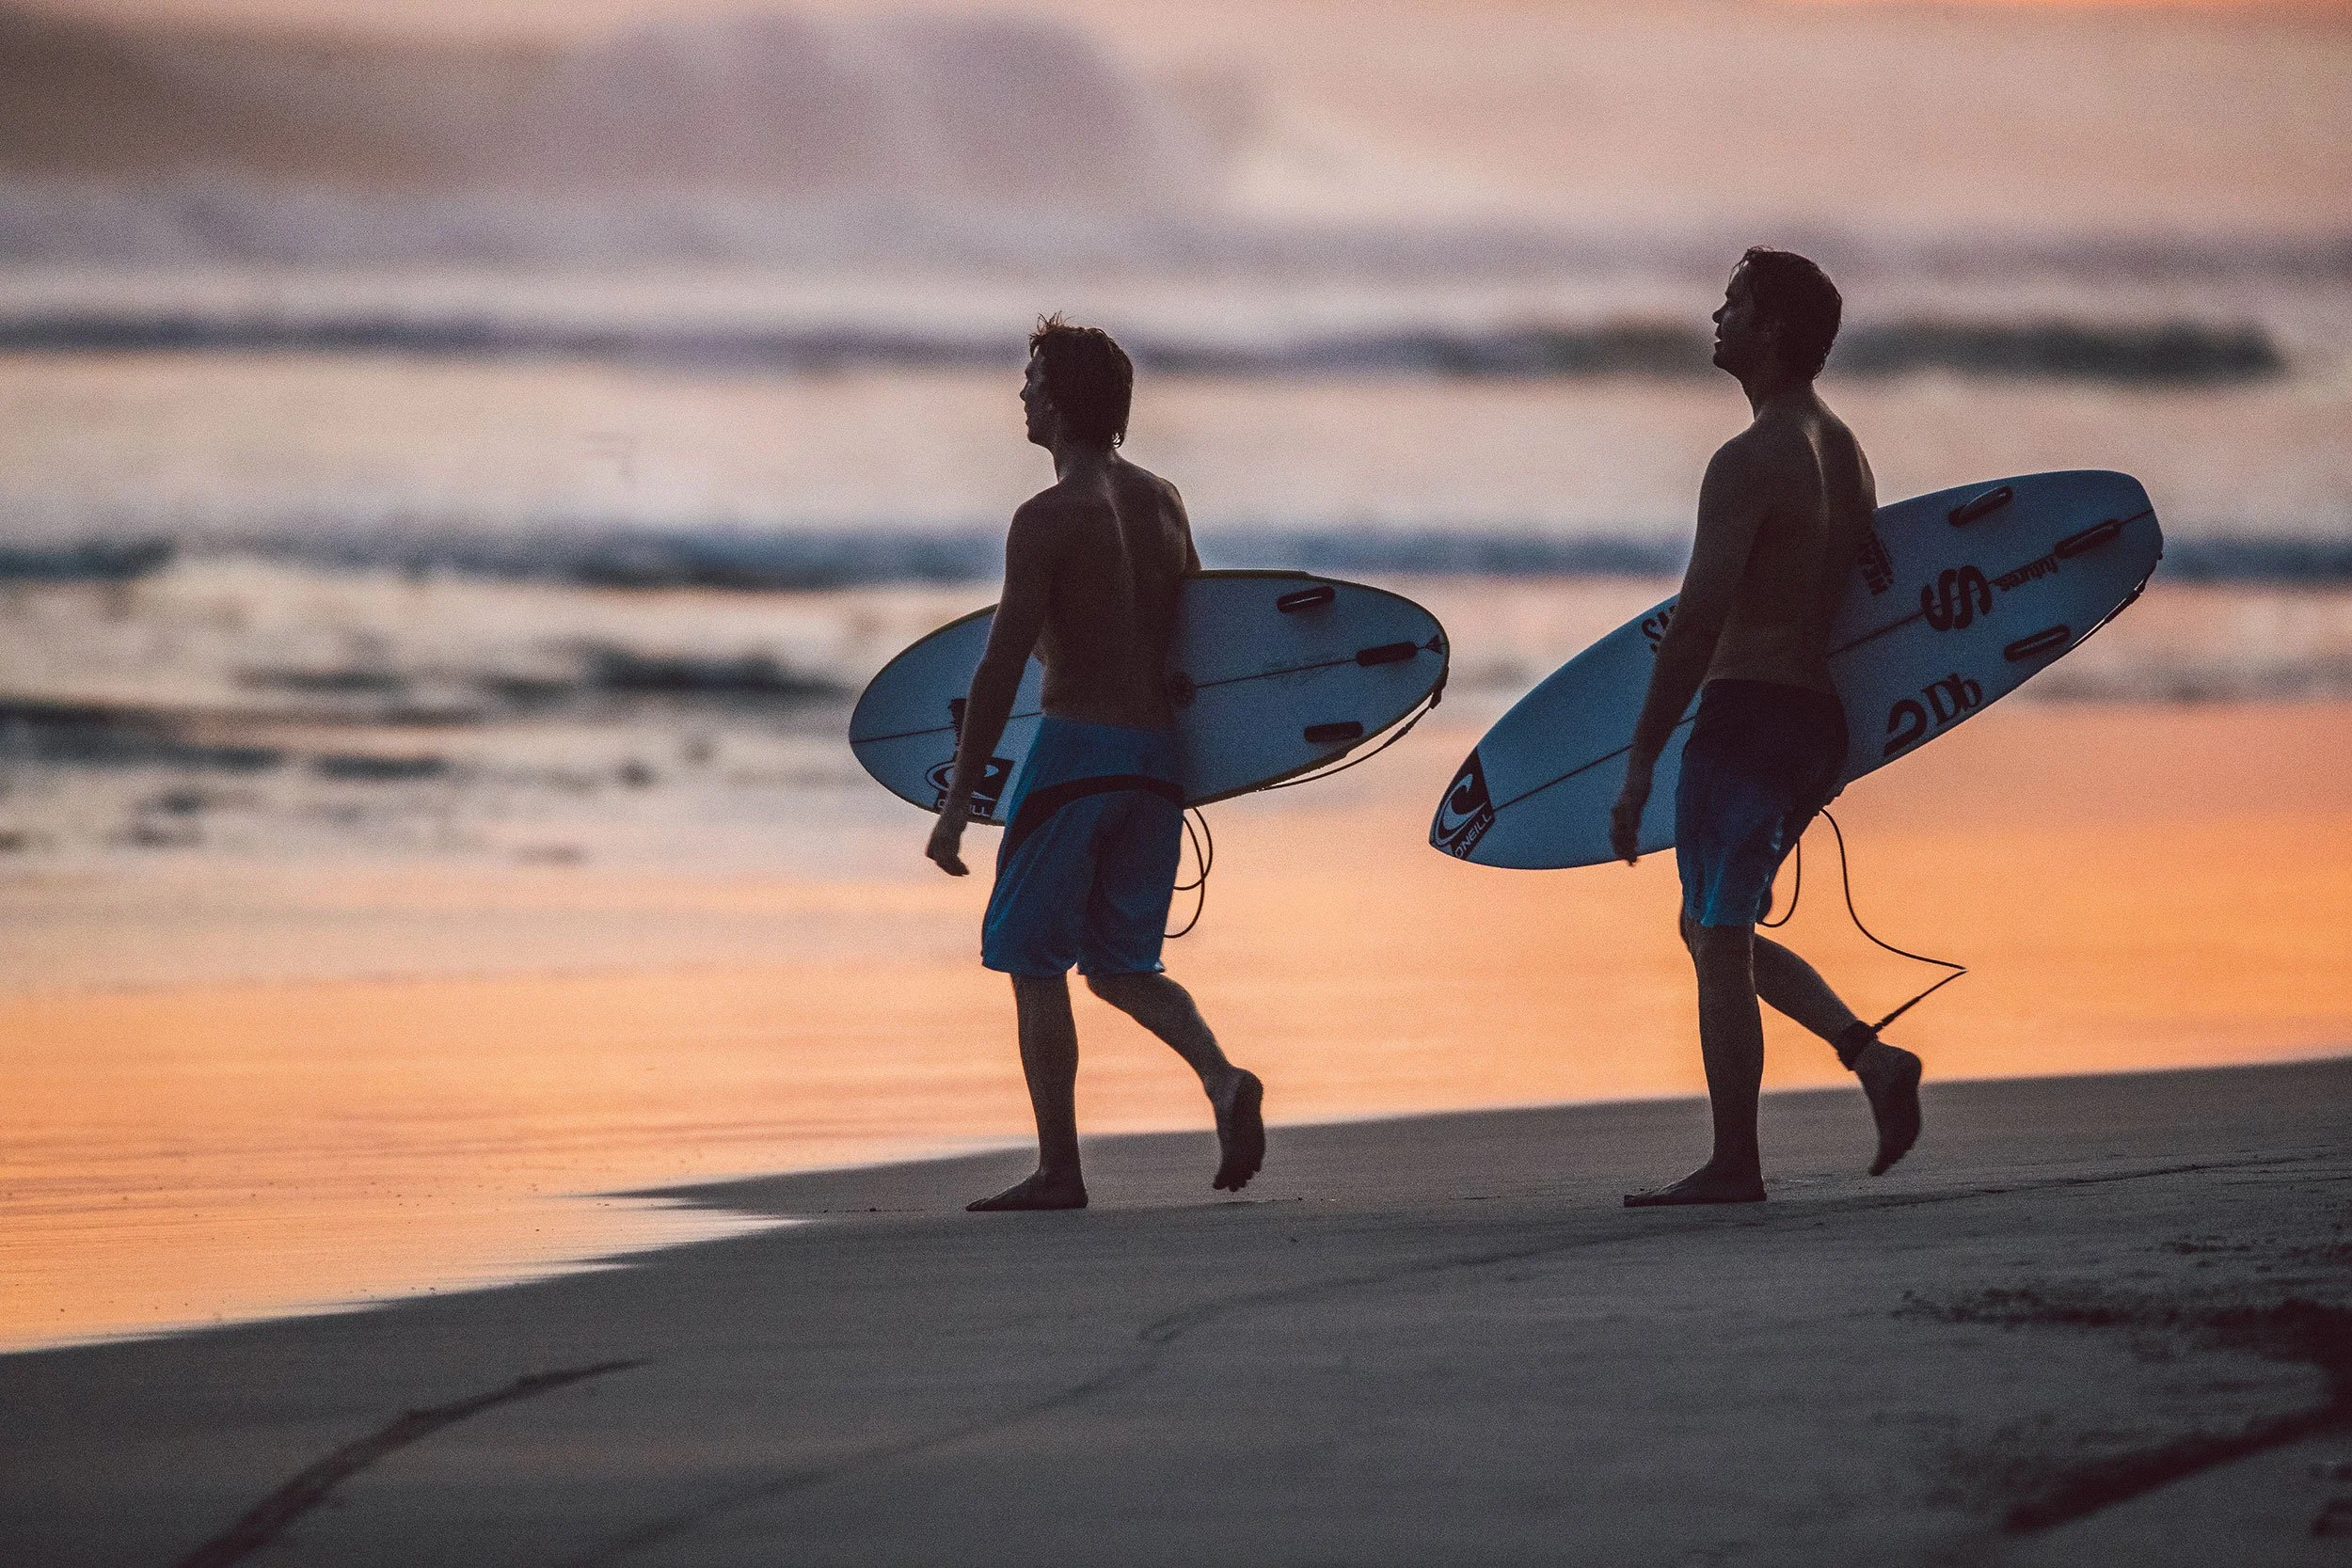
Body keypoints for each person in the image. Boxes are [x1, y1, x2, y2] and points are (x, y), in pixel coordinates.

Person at [926, 316, 1265, 1212]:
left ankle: (1058, 1169)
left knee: (1030, 957)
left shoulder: (1045, 519)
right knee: (1121, 965)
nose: (1023, 392)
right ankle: (1223, 1078)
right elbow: (1198, 640)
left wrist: (958, 803)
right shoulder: (1164, 501)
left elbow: (1001, 665)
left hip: (1075, 752)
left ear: (1066, 403)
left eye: (1034, 378)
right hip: (1156, 761)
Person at [1611, 248, 1924, 1207]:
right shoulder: (1845, 450)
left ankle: (1734, 1162)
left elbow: (1698, 621)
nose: (1717, 314)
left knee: (1717, 935)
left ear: (1772, 329)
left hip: (1744, 717)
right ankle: (1872, 1058)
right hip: (1812, 721)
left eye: (1734, 303)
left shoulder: (1747, 460)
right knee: (1713, 927)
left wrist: (1639, 760)